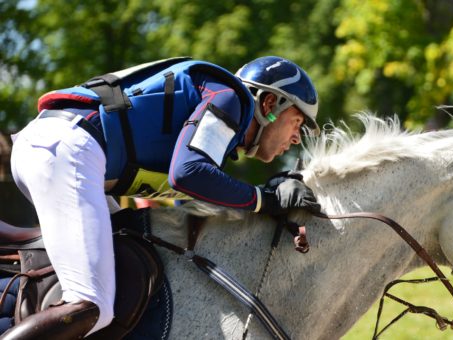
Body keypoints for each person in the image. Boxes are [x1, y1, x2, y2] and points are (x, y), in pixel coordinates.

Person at [8, 56, 321, 338]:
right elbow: (187, 172)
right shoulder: (231, 100)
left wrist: (265, 202)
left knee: (123, 266)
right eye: (297, 121)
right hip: (69, 151)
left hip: (62, 150)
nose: (296, 137)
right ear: (269, 103)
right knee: (93, 305)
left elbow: (194, 189)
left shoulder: (222, 117)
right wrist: (266, 200)